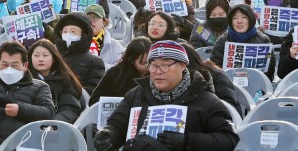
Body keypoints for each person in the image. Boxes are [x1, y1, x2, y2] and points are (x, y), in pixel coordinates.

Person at [93, 40, 239, 151]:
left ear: (182, 66)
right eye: (153, 65)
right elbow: (117, 125)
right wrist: (108, 135)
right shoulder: (136, 94)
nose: (158, 71)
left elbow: (228, 139)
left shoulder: (205, 100)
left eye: (165, 65)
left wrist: (188, 141)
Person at [210, 4, 276, 81]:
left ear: (250, 19)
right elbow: (214, 66)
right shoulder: (222, 40)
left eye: (244, 17)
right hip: (228, 86)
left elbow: (269, 68)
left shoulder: (263, 40)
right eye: (235, 18)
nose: (239, 21)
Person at [28, 39, 83, 123]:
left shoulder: (65, 80)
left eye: (45, 55)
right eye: (36, 55)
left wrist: (53, 124)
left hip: (56, 128)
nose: (40, 59)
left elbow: (70, 109)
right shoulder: (24, 79)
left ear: (53, 59)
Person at [89, 37, 152, 105]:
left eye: (151, 62)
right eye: (143, 63)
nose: (148, 66)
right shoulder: (115, 74)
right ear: (132, 60)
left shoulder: (157, 73)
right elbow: (94, 100)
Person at [54, 12, 106, 94]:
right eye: (64, 31)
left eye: (73, 32)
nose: (68, 35)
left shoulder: (95, 61)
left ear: (84, 34)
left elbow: (94, 90)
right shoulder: (53, 55)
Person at [86, 4, 125, 69]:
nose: (92, 21)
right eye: (88, 18)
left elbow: (120, 69)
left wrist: (99, 66)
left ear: (104, 22)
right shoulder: (78, 41)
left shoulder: (114, 45)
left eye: (96, 17)